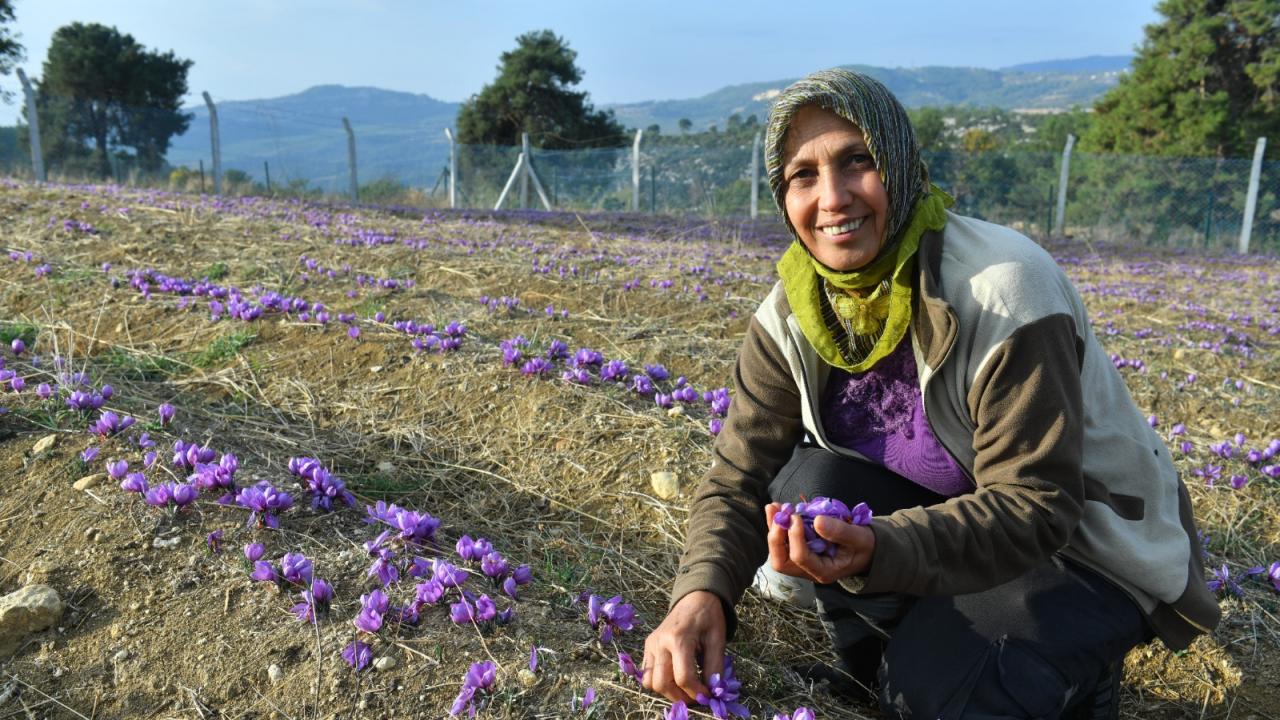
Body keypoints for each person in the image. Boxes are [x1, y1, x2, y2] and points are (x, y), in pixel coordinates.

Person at [642, 68, 1220, 719]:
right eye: (803, 174)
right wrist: (701, 595)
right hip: (957, 526)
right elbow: (739, 474)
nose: (831, 197)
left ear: (899, 165)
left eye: (858, 161)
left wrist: (882, 550)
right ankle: (892, 666)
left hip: (1081, 546)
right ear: (782, 196)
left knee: (936, 699)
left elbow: (1038, 506)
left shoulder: (1003, 289)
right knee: (812, 480)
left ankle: (1072, 682)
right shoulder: (792, 311)